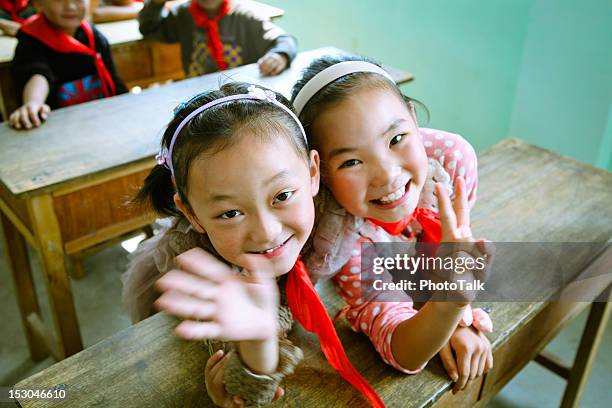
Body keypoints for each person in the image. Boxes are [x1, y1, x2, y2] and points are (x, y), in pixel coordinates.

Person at [122, 82, 384, 407]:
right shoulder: (198, 267)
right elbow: (245, 388)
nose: (266, 232)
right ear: (191, 213)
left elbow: (411, 223)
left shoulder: (340, 201)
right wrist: (254, 355)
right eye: (230, 213)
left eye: (282, 196)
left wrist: (454, 310)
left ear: (314, 172)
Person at [292, 55, 495, 393]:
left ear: (413, 120)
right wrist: (451, 304)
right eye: (352, 161)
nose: (387, 175)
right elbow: (401, 350)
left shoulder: (450, 162)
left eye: (396, 138)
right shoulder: (341, 245)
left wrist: (458, 317)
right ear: (320, 173)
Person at [9, 0, 127, 130]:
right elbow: (38, 74)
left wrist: (127, 104)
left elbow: (114, 80)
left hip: (100, 122)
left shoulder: (94, 36)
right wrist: (34, 102)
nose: (70, 6)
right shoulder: (31, 40)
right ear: (38, 3)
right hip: (57, 129)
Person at [138, 0, 297, 77]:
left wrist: (279, 55)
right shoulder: (183, 15)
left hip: (241, 97)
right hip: (199, 96)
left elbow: (285, 40)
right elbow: (149, 28)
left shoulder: (245, 16)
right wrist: (156, 4)